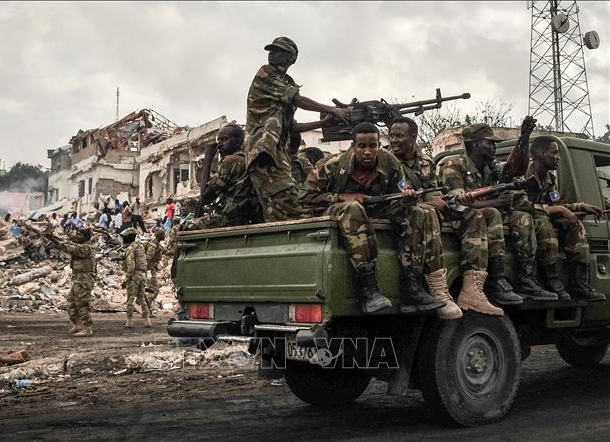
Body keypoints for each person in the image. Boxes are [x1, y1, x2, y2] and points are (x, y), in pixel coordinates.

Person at [300, 122, 456, 317]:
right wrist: (341, 197)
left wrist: (407, 198)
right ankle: (370, 289)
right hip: (336, 211)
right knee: (353, 208)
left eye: (373, 146)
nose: (367, 151)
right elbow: (305, 198)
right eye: (362, 146)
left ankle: (412, 287)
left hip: (377, 209)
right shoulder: (331, 165)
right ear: (352, 146)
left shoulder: (390, 162)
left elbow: (400, 191)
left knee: (419, 212)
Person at [390, 117, 511, 315]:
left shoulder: (425, 163)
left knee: (481, 215)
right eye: (392, 136)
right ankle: (438, 290)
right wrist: (430, 202)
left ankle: (474, 289)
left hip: (425, 211)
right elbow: (391, 200)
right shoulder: (387, 161)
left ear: (413, 138)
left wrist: (434, 201)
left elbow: (434, 194)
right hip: (400, 214)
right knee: (427, 212)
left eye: (399, 136)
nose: (394, 140)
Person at [439, 120, 558, 302]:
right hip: (462, 218)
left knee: (523, 218)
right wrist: (495, 202)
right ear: (476, 144)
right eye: (490, 143)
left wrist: (523, 138)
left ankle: (527, 279)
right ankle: (496, 279)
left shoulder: (490, 167)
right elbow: (457, 203)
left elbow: (517, 168)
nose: (494, 147)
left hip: (485, 215)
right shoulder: (454, 165)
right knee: (492, 213)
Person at [244, 36, 351, 222]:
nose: (272, 54)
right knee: (289, 205)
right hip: (264, 151)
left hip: (278, 153)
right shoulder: (266, 73)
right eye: (272, 50)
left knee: (281, 208)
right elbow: (298, 100)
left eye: (279, 51)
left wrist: (322, 124)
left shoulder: (285, 82)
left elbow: (292, 127)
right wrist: (332, 109)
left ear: (291, 58)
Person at [519, 136, 606, 301]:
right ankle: (551, 279)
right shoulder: (523, 175)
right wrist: (557, 209)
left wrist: (578, 207)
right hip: (525, 219)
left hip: (541, 216)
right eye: (554, 153)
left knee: (573, 223)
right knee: (543, 222)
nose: (558, 157)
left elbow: (556, 202)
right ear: (540, 154)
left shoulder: (550, 179)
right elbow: (520, 206)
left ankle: (577, 282)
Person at [187, 124, 263, 230]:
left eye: (224, 139)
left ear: (237, 142)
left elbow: (205, 197)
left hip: (231, 219)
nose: (219, 145)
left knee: (183, 228)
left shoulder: (230, 161)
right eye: (218, 141)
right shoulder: (249, 159)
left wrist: (207, 160)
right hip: (251, 217)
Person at [46, 227, 96, 336]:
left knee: (82, 304)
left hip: (85, 280)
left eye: (80, 235)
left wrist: (54, 240)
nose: (77, 236)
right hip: (78, 279)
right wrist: (53, 237)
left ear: (85, 237)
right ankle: (78, 324)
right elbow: (68, 244)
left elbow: (68, 248)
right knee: (71, 303)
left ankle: (87, 328)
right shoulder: (80, 245)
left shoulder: (86, 248)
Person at [120, 227, 151, 327]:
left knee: (131, 298)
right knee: (141, 297)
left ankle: (129, 320)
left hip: (134, 276)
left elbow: (131, 265)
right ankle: (147, 320)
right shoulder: (140, 246)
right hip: (142, 274)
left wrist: (126, 279)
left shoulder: (130, 248)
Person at [145, 228, 168, 314]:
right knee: (155, 289)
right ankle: (145, 307)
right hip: (149, 270)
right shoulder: (153, 246)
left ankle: (145, 306)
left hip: (151, 270)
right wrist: (147, 273)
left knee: (152, 289)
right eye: (163, 235)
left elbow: (167, 252)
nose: (165, 236)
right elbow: (147, 259)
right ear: (159, 236)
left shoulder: (158, 245)